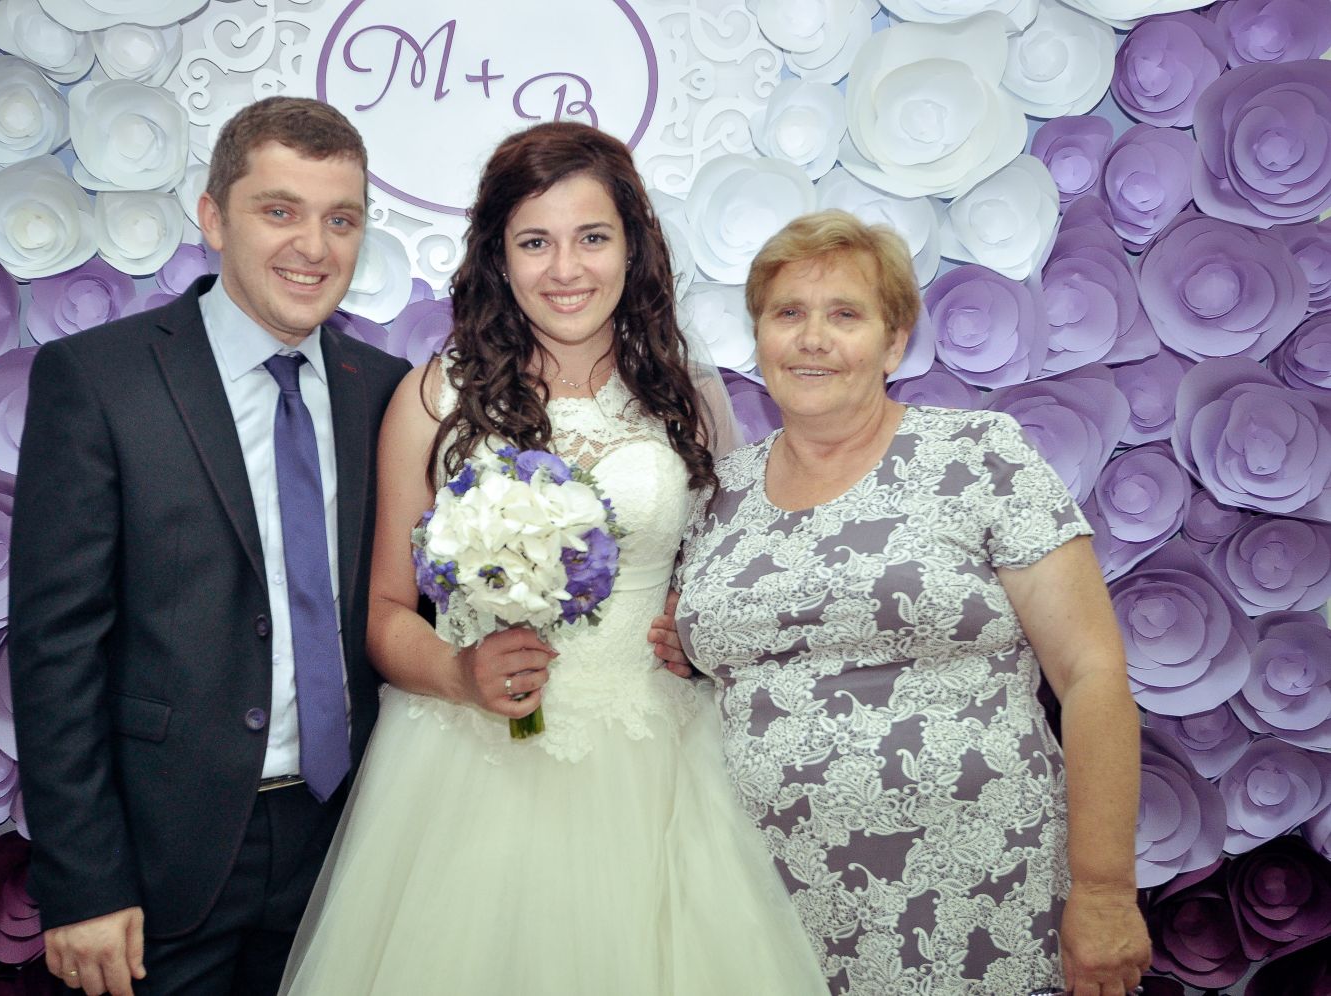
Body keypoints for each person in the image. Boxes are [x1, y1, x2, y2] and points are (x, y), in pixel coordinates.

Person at [278, 122, 825, 995]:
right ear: (499, 258)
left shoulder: (690, 397)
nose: (566, 269)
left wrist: (697, 635)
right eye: (535, 242)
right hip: (467, 763)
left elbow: (723, 584)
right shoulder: (436, 398)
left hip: (653, 761)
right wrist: (459, 672)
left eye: (592, 237)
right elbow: (383, 614)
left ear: (633, 246)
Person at [672, 209, 1153, 994]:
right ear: (758, 337)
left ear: (894, 343)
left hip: (983, 893)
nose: (812, 338)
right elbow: (700, 660)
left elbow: (1092, 674)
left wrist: (1104, 891)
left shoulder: (980, 455)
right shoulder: (717, 494)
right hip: (765, 915)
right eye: (788, 314)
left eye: (845, 315)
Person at [9, 97, 409, 996]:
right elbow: (55, 650)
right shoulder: (98, 380)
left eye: (341, 220)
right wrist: (84, 882)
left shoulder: (386, 392)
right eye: (280, 211)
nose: (314, 247)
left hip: (348, 846)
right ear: (214, 218)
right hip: (166, 856)